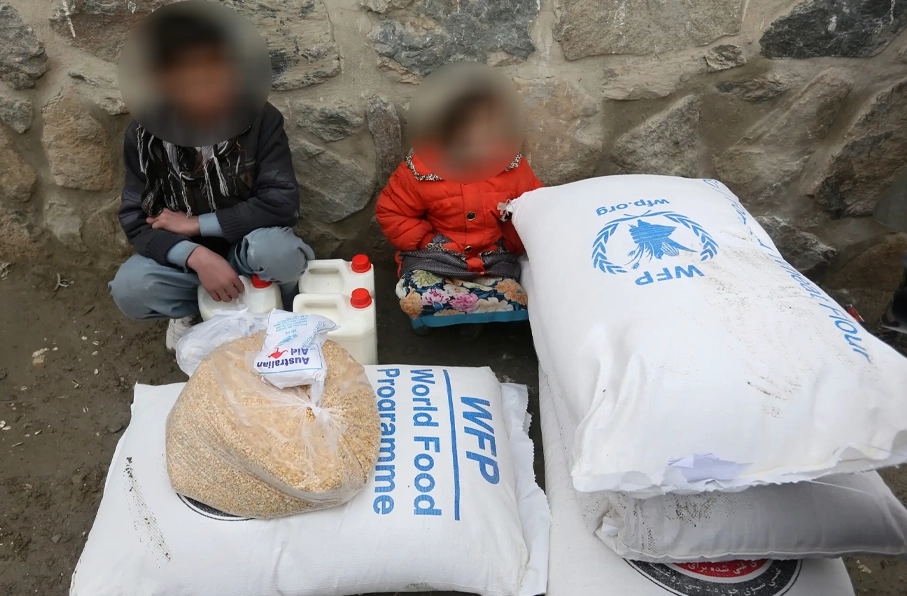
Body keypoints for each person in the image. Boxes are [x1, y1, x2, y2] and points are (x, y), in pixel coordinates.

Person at [109, 5, 313, 350]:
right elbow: (137, 220)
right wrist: (197, 256)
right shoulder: (144, 137)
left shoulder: (260, 120)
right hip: (188, 265)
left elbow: (281, 202)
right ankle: (197, 309)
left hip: (249, 251)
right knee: (130, 288)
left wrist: (196, 224)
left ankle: (282, 307)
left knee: (280, 253)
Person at [376, 80, 542, 323]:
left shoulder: (512, 169)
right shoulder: (420, 170)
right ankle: (443, 319)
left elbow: (535, 208)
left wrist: (509, 241)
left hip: (492, 258)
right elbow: (392, 212)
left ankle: (469, 318)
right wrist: (426, 240)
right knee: (417, 296)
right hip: (435, 257)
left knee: (518, 298)